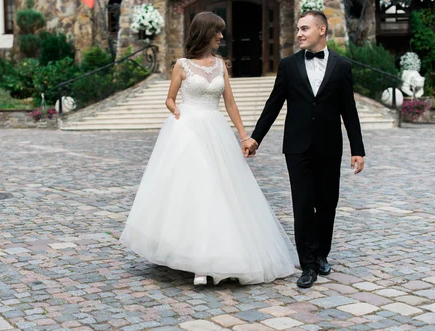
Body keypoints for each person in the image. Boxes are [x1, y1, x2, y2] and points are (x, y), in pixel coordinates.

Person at [120, 11, 298, 286]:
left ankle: (214, 258)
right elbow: (169, 98)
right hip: (187, 131)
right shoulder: (182, 65)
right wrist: (177, 113)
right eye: (218, 31)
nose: (222, 36)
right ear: (206, 32)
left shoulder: (220, 66)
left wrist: (243, 136)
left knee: (220, 191)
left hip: (215, 131)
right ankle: (194, 259)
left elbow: (230, 103)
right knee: (195, 190)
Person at [242, 10, 366, 289]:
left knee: (327, 204)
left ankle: (322, 253)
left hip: (330, 146)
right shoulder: (288, 65)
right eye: (298, 28)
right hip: (297, 147)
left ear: (322, 30)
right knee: (302, 204)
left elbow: (350, 110)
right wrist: (256, 138)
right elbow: (273, 104)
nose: (299, 33)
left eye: (304, 28)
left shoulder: (342, 66)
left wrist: (357, 149)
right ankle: (308, 264)